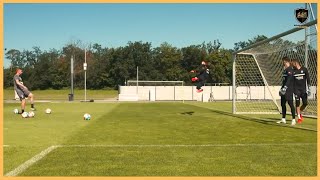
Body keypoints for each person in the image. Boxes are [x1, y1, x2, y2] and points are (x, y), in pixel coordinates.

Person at [277, 57, 296, 125]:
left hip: (289, 90)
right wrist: (281, 88)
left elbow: (289, 79)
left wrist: (285, 88)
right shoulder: (285, 70)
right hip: (284, 90)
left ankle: (293, 119)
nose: (282, 63)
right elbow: (284, 81)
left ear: (285, 61)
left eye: (283, 61)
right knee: (282, 104)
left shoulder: (290, 69)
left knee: (291, 104)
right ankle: (283, 119)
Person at [291, 59, 311, 124]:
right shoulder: (293, 71)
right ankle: (299, 117)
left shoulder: (304, 69)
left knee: (305, 103)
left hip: (303, 90)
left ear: (296, 63)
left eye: (293, 64)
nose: (292, 65)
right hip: (296, 90)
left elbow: (308, 79)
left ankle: (300, 112)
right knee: (297, 103)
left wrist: (309, 88)